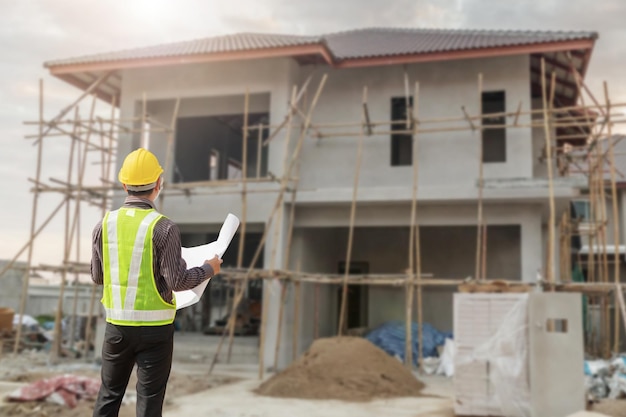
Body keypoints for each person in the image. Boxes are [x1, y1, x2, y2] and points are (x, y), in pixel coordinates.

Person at [90, 148, 222, 417]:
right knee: (149, 402)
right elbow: (178, 280)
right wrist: (209, 268)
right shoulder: (164, 227)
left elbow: (97, 277)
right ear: (159, 184)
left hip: (117, 328)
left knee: (108, 396)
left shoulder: (104, 225)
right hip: (155, 331)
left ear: (124, 184)